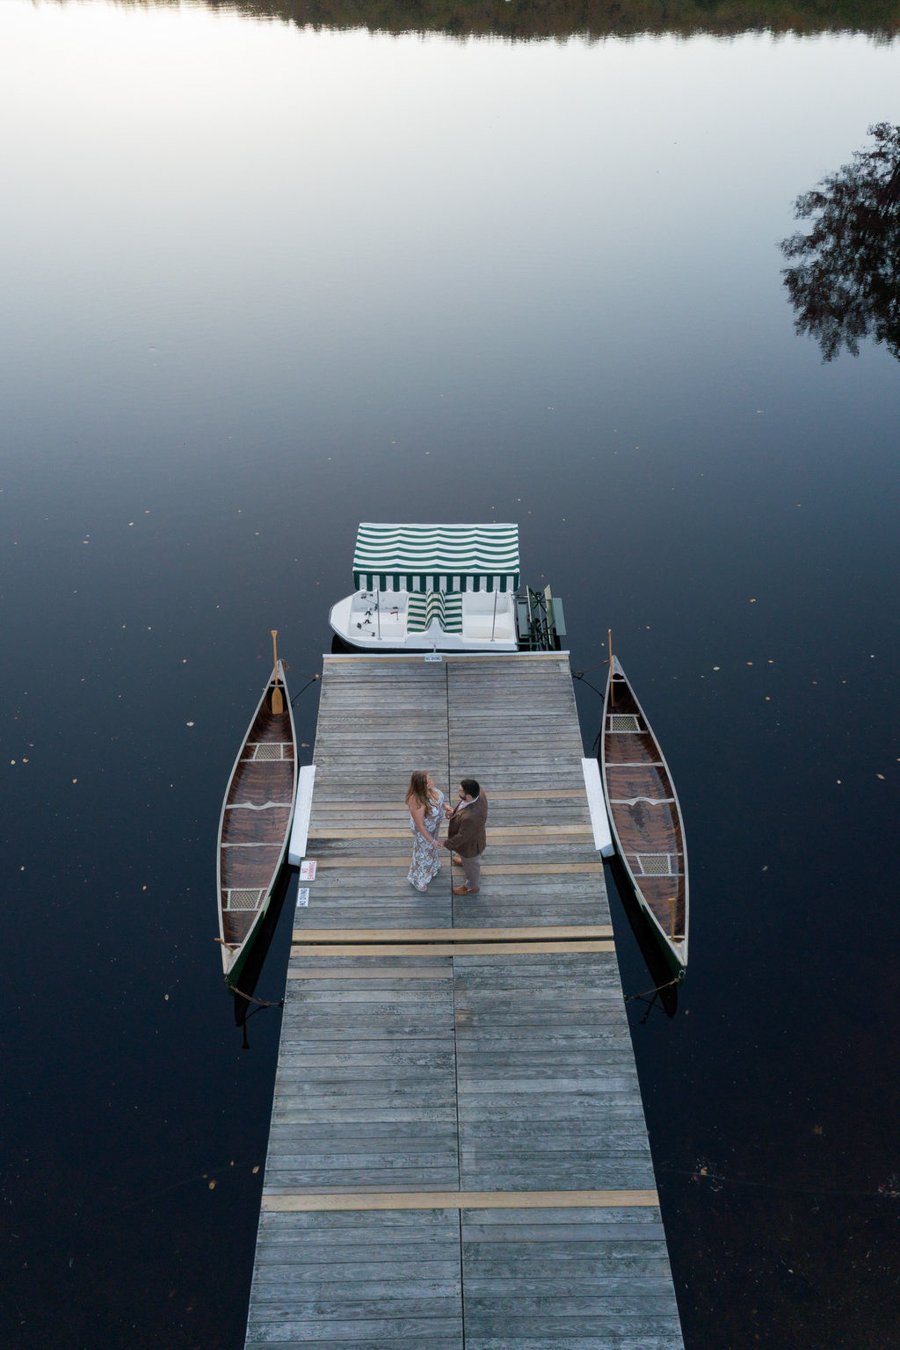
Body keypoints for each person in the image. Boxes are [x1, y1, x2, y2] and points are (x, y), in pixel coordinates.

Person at [440, 778, 487, 895]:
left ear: (469, 796)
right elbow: (463, 808)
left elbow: (462, 837)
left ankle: (471, 887)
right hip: (472, 835)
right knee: (467, 860)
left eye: (461, 791)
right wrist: (454, 813)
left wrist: (445, 843)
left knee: (472, 867)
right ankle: (463, 860)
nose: (458, 791)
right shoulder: (479, 792)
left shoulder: (471, 817)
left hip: (470, 846)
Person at [405, 771, 445, 893]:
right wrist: (431, 840)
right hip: (424, 831)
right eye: (428, 781)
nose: (432, 781)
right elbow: (420, 825)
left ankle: (432, 866)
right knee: (422, 853)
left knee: (431, 850)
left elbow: (438, 803)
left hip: (434, 827)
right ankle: (418, 879)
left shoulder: (431, 790)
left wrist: (446, 807)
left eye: (430, 778)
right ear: (420, 786)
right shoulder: (416, 801)